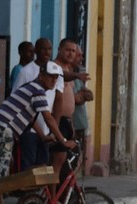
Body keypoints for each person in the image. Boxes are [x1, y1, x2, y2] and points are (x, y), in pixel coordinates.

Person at [0, 62, 76, 204]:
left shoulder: (32, 88)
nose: (53, 81)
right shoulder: (37, 90)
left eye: (55, 78)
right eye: (50, 77)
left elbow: (31, 118)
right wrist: (63, 140)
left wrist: (44, 136)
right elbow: (48, 118)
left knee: (2, 167)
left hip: (0, 128)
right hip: (2, 129)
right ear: (41, 76)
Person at [11, 38, 58, 170]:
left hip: (45, 130)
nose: (47, 52)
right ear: (36, 51)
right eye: (43, 48)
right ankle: (23, 191)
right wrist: (62, 139)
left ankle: (36, 192)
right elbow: (17, 101)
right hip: (28, 129)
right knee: (28, 166)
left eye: (49, 48)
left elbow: (58, 98)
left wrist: (53, 129)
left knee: (43, 166)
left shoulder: (54, 70)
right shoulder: (25, 72)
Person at [51, 38, 89, 183]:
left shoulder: (69, 71)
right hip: (57, 120)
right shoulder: (54, 67)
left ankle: (59, 196)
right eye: (67, 50)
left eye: (73, 51)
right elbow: (60, 75)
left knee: (65, 162)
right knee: (57, 161)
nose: (70, 54)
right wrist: (77, 75)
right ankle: (52, 199)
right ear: (59, 49)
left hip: (67, 121)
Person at [72, 45, 94, 173]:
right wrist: (81, 95)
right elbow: (76, 99)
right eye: (79, 55)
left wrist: (82, 94)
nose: (81, 58)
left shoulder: (77, 77)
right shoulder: (70, 77)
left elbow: (89, 95)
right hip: (72, 126)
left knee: (76, 162)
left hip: (80, 125)